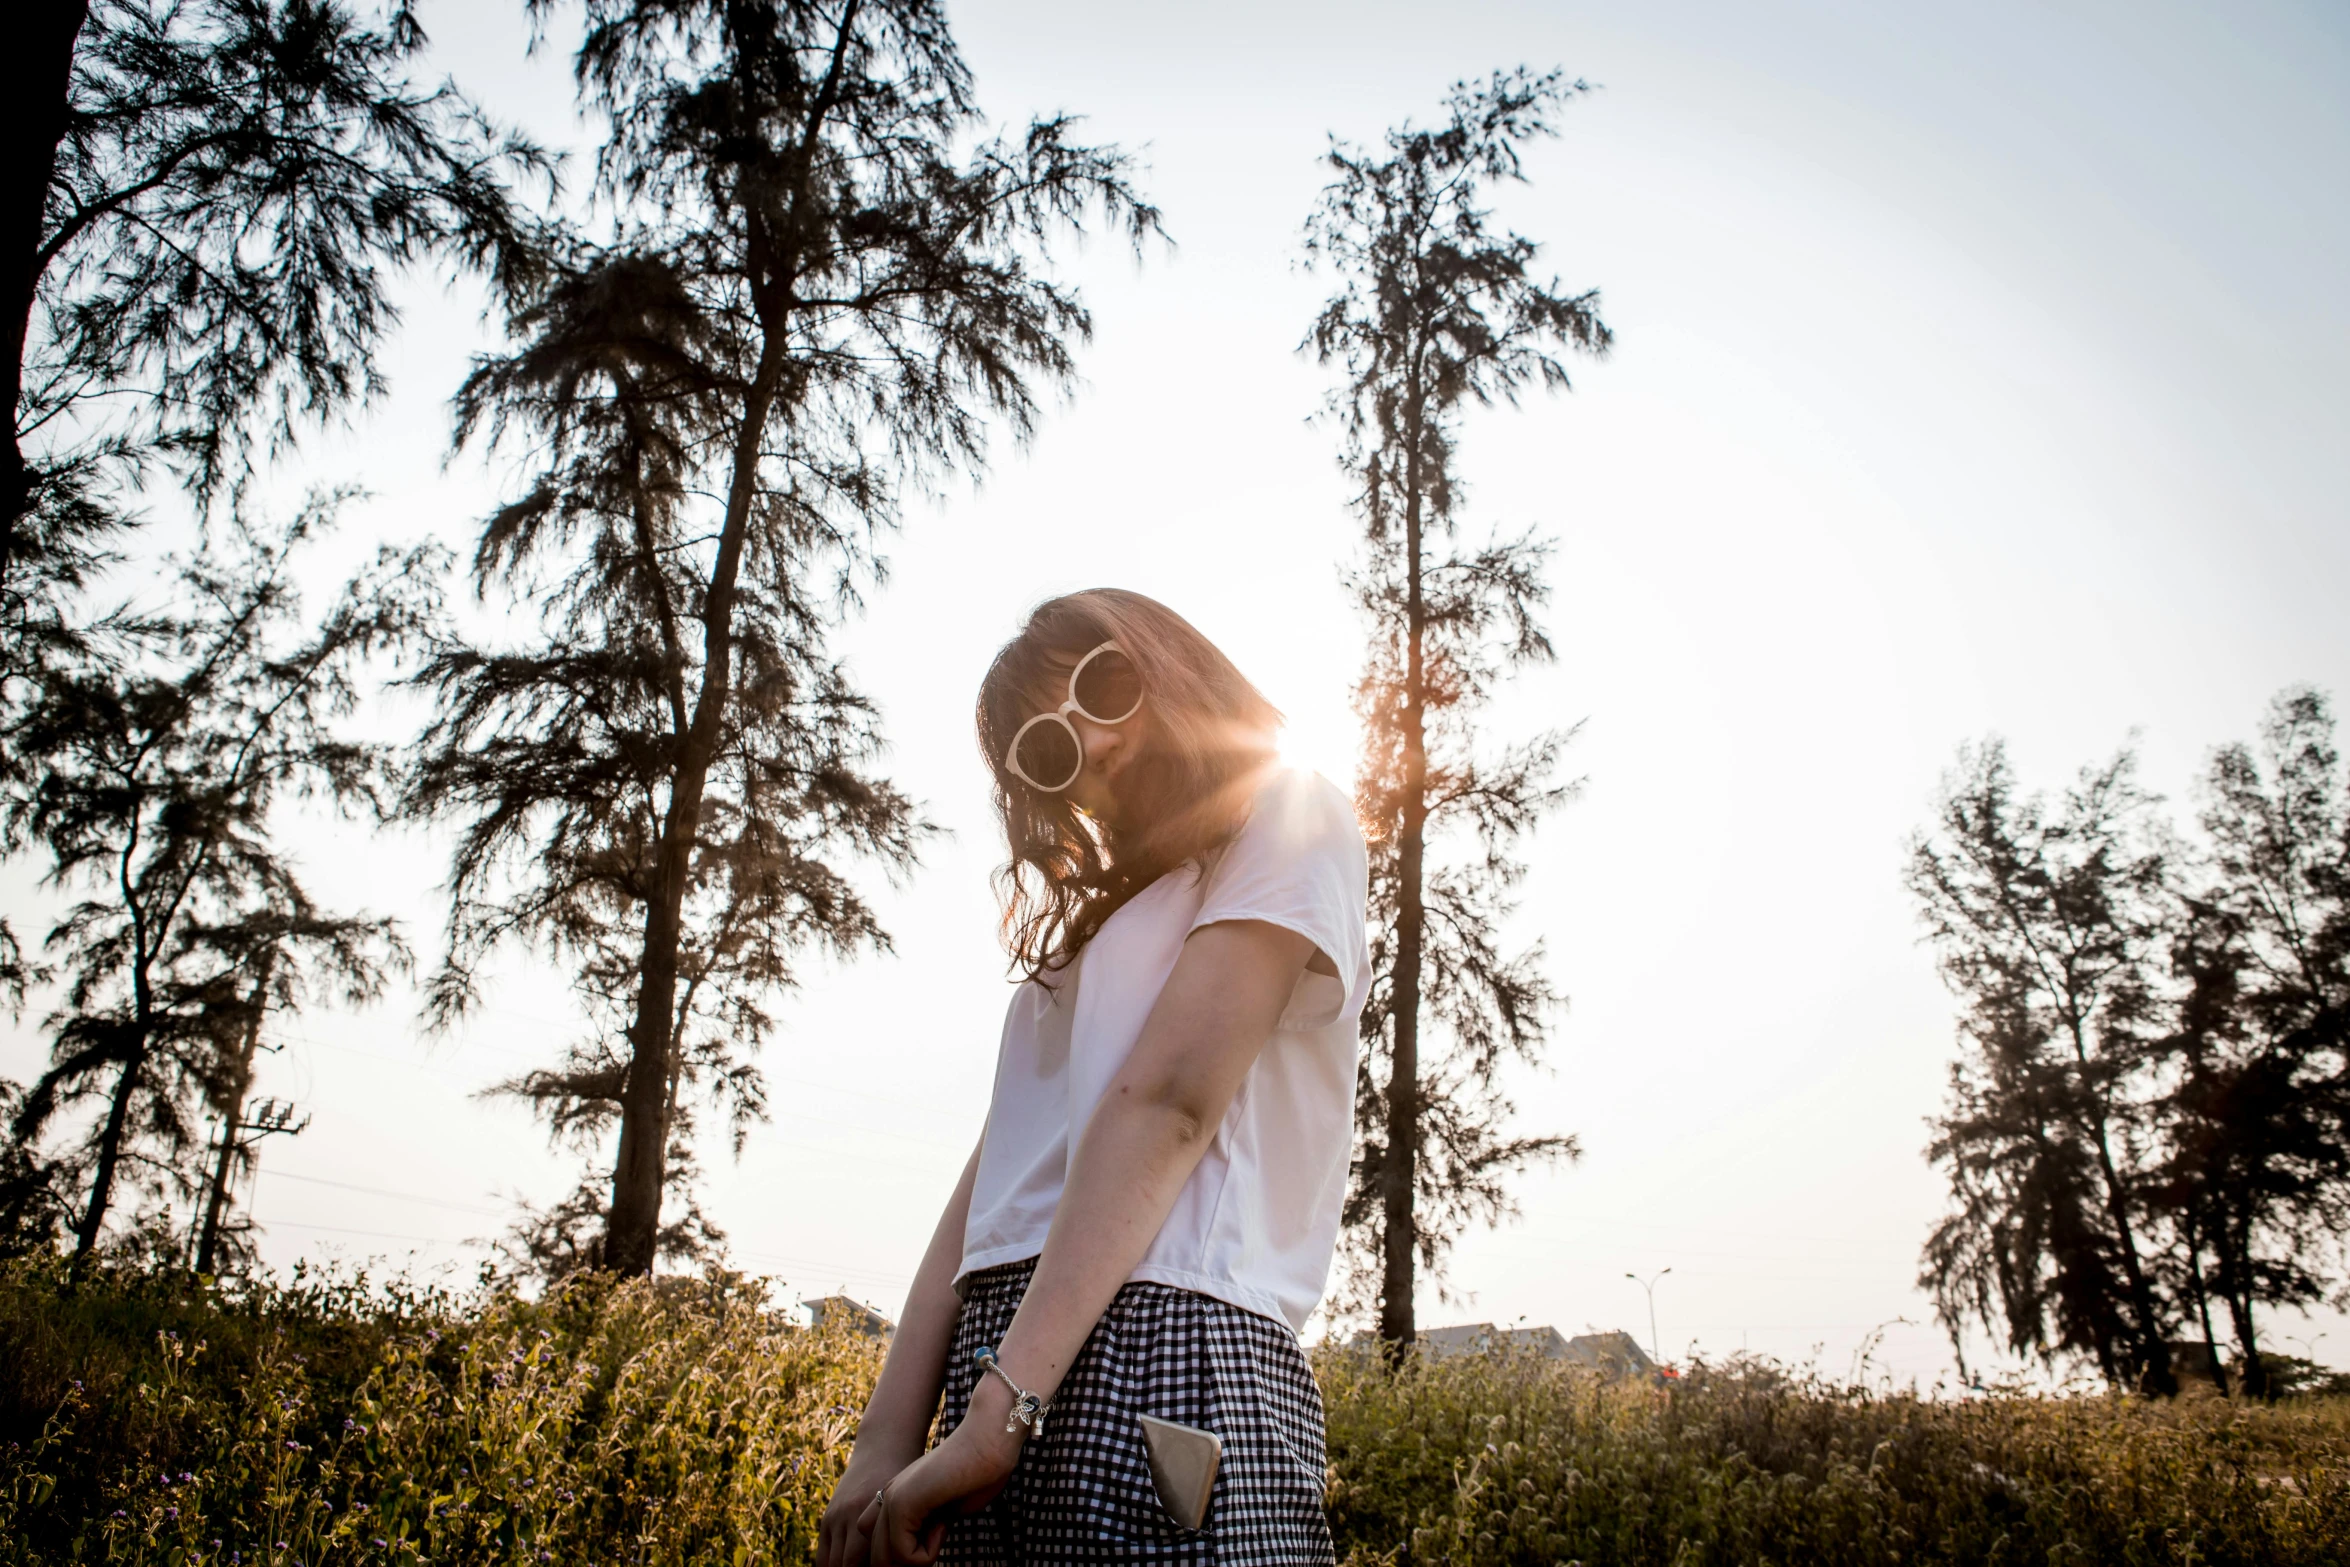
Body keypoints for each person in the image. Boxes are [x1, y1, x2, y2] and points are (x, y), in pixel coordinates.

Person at [816, 588, 1371, 1567]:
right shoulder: (1094, 935)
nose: (1089, 737)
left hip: (1162, 1338)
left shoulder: (1290, 811)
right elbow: (986, 1193)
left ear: (1168, 656)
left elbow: (1169, 1104)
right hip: (1004, 1356)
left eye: (1103, 683)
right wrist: (884, 1437)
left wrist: (1002, 1409)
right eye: (1047, 748)